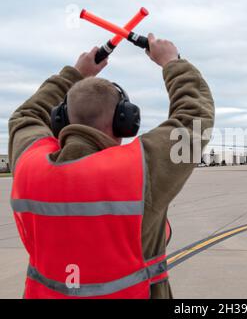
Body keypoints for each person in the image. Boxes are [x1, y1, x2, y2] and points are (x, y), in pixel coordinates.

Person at [8, 33, 215, 299]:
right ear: (124, 121)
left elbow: (25, 117)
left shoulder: (29, 165)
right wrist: (172, 62)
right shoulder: (139, 170)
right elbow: (195, 119)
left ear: (60, 119)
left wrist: (74, 74)